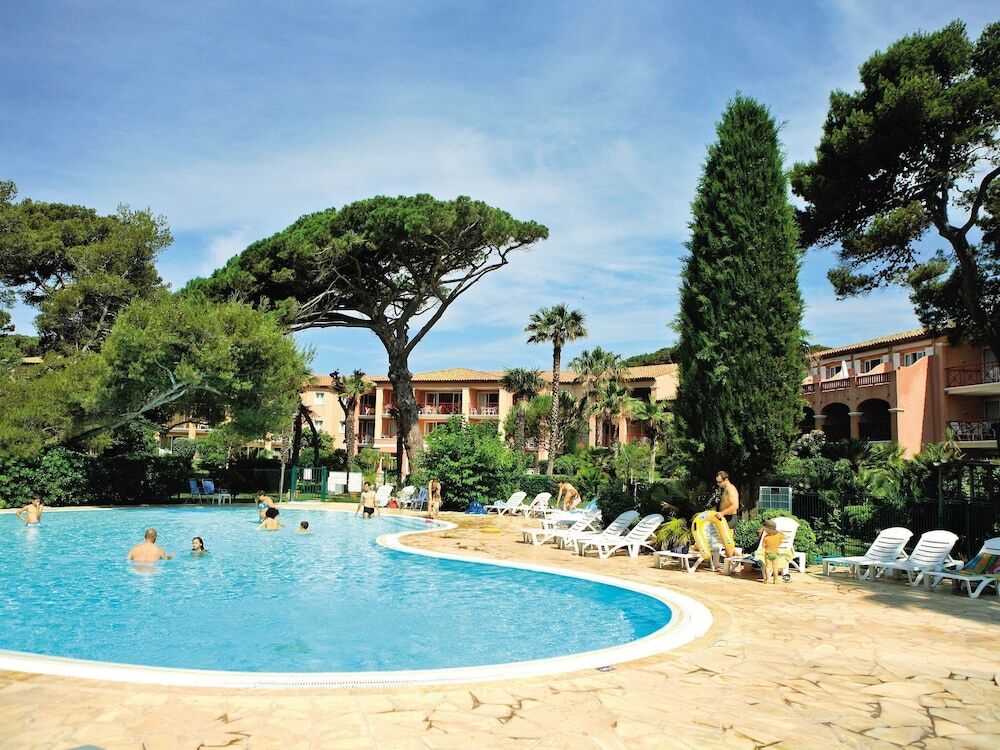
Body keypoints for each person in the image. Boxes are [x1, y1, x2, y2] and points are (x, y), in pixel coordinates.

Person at [713, 471, 740, 572]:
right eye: (717, 482)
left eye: (719, 482)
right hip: (725, 518)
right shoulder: (725, 489)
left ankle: (728, 568)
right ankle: (733, 561)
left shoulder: (731, 489)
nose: (718, 484)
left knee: (728, 543)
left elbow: (735, 505)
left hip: (730, 518)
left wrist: (722, 513)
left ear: (726, 480)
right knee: (725, 543)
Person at [755, 519, 791, 584]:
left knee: (767, 567)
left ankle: (767, 580)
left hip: (768, 554)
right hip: (775, 554)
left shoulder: (765, 537)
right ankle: (775, 580)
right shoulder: (779, 535)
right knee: (775, 568)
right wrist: (780, 532)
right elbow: (786, 537)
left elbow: (763, 546)